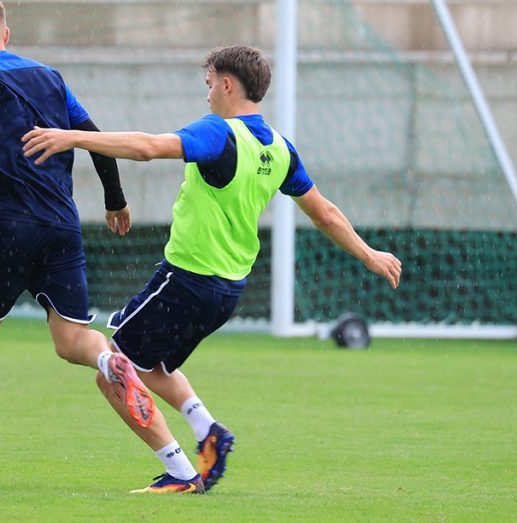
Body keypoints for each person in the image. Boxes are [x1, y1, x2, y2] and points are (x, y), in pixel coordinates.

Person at [23, 44, 403, 493]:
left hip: (186, 278)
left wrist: (73, 137)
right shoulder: (280, 148)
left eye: (209, 85)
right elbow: (324, 213)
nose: (206, 96)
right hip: (227, 291)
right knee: (149, 366)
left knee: (115, 373)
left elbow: (148, 147)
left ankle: (180, 472)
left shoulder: (219, 132)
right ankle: (207, 430)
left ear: (227, 84)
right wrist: (370, 255)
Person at [0, 0, 157, 485]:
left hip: (5, 225)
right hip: (61, 225)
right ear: (6, 34)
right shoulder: (51, 78)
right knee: (71, 338)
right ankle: (107, 359)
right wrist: (115, 199)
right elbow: (94, 136)